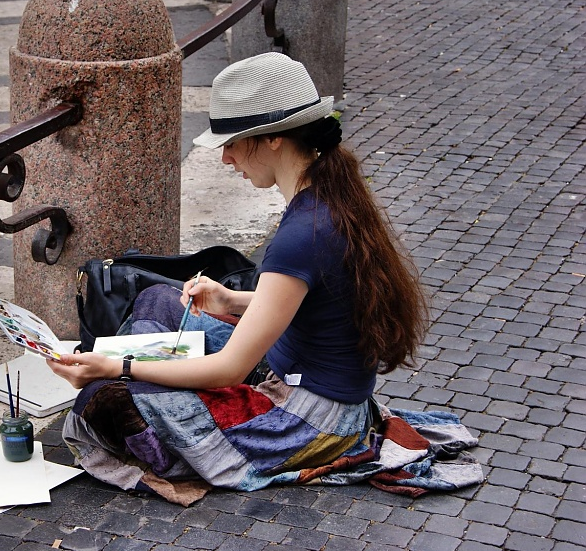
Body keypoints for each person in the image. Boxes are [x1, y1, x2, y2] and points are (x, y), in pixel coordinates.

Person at [48, 52, 480, 505]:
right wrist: (230, 300)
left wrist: (117, 367)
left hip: (311, 418)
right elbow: (311, 301)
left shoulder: (303, 232)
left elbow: (230, 370)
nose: (226, 158)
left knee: (104, 398)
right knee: (160, 299)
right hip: (298, 374)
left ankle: (139, 389)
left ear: (273, 138)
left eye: (233, 142)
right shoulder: (327, 193)